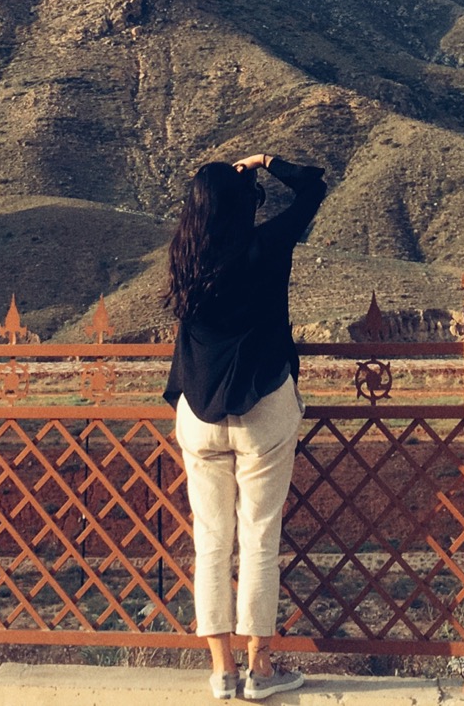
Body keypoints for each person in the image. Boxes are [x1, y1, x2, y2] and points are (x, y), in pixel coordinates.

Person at [163, 151, 326, 701]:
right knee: (259, 536)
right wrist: (264, 161)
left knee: (210, 540)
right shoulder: (265, 246)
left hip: (198, 412)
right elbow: (313, 190)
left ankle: (222, 671)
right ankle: (261, 668)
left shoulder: (185, 259)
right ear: (243, 204)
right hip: (262, 409)